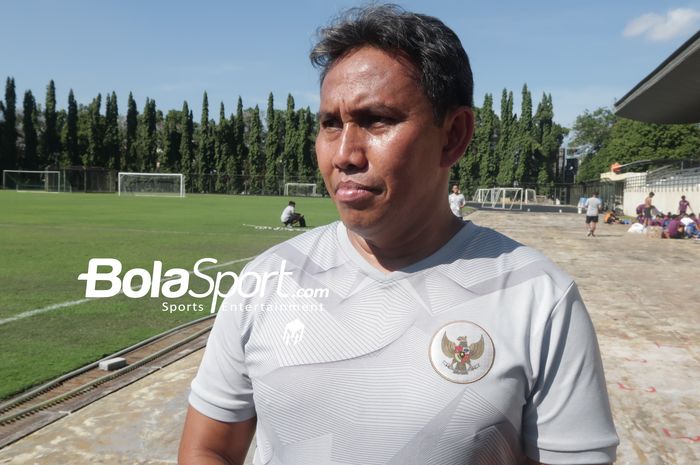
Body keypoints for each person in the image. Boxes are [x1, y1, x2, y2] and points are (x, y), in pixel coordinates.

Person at [179, 5, 618, 465]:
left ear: (453, 136)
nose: (345, 153)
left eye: (376, 120)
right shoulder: (268, 279)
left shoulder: (539, 300)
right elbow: (207, 449)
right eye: (331, 123)